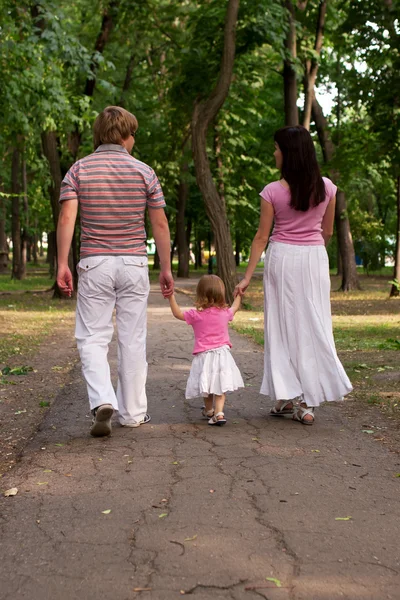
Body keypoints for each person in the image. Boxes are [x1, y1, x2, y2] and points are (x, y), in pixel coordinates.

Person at [56, 106, 174, 437]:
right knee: (133, 338)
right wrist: (164, 267)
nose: (134, 140)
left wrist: (62, 263)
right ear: (124, 135)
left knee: (92, 337)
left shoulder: (78, 170)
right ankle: (134, 413)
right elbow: (160, 222)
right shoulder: (144, 172)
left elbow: (67, 218)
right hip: (134, 263)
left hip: (95, 263)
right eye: (133, 134)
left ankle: (103, 400)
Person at [235, 125, 352, 425]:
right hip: (314, 259)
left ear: (289, 153)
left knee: (283, 327)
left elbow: (261, 238)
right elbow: (326, 232)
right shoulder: (327, 188)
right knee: (313, 325)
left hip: (283, 259)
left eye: (277, 148)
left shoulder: (272, 191)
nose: (274, 153)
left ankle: (289, 395)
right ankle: (303, 401)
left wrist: (247, 276)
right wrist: (310, 250)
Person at [168, 275, 244, 425]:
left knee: (207, 384)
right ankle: (219, 413)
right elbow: (234, 308)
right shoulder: (224, 313)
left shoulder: (196, 315)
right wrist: (239, 295)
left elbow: (177, 314)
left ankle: (209, 410)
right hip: (222, 355)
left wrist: (171, 297)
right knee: (220, 386)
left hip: (204, 357)